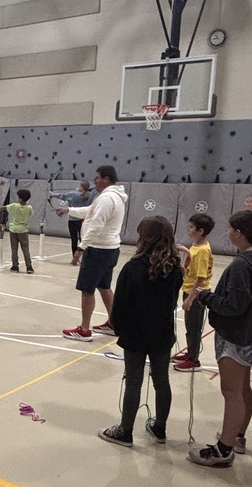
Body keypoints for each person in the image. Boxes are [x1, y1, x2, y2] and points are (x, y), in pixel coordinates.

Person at [183, 209, 252, 467]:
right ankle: (237, 436)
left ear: (238, 233)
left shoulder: (242, 265)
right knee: (242, 387)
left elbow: (233, 305)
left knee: (231, 391)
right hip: (248, 332)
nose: (227, 233)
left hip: (236, 335)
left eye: (230, 229)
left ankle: (224, 449)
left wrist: (205, 296)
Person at [98, 217, 183, 447]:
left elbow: (120, 305)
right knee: (161, 381)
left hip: (136, 333)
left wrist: (119, 328)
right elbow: (173, 301)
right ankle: (160, 428)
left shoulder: (134, 267)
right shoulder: (174, 268)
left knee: (134, 382)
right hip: (162, 333)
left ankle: (125, 432)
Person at [56, 165, 129, 342]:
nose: (94, 181)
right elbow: (91, 211)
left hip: (98, 250)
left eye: (97, 177)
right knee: (104, 287)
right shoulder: (112, 196)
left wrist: (81, 248)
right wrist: (69, 210)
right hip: (110, 249)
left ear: (106, 178)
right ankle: (113, 324)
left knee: (87, 290)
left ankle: (84, 330)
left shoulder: (107, 198)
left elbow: (96, 224)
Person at [173, 213, 215, 371]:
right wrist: (185, 250)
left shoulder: (203, 251)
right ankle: (190, 352)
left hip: (196, 293)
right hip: (189, 288)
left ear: (201, 231)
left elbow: (201, 278)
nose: (188, 230)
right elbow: (194, 258)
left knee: (194, 328)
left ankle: (194, 360)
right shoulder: (197, 246)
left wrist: (190, 299)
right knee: (190, 327)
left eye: (191, 227)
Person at [0, 188, 35, 273]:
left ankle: (15, 266)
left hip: (14, 230)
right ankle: (29, 267)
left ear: (20, 198)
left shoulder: (14, 206)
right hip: (23, 231)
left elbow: (3, 208)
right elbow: (31, 213)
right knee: (25, 249)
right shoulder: (29, 208)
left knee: (14, 249)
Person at [59, 181, 96, 265]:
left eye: (79, 186)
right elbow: (95, 188)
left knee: (74, 240)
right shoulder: (90, 194)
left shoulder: (73, 194)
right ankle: (85, 259)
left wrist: (52, 194)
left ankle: (75, 259)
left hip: (73, 221)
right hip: (82, 220)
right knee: (83, 239)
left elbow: (62, 196)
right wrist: (88, 189)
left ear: (82, 187)